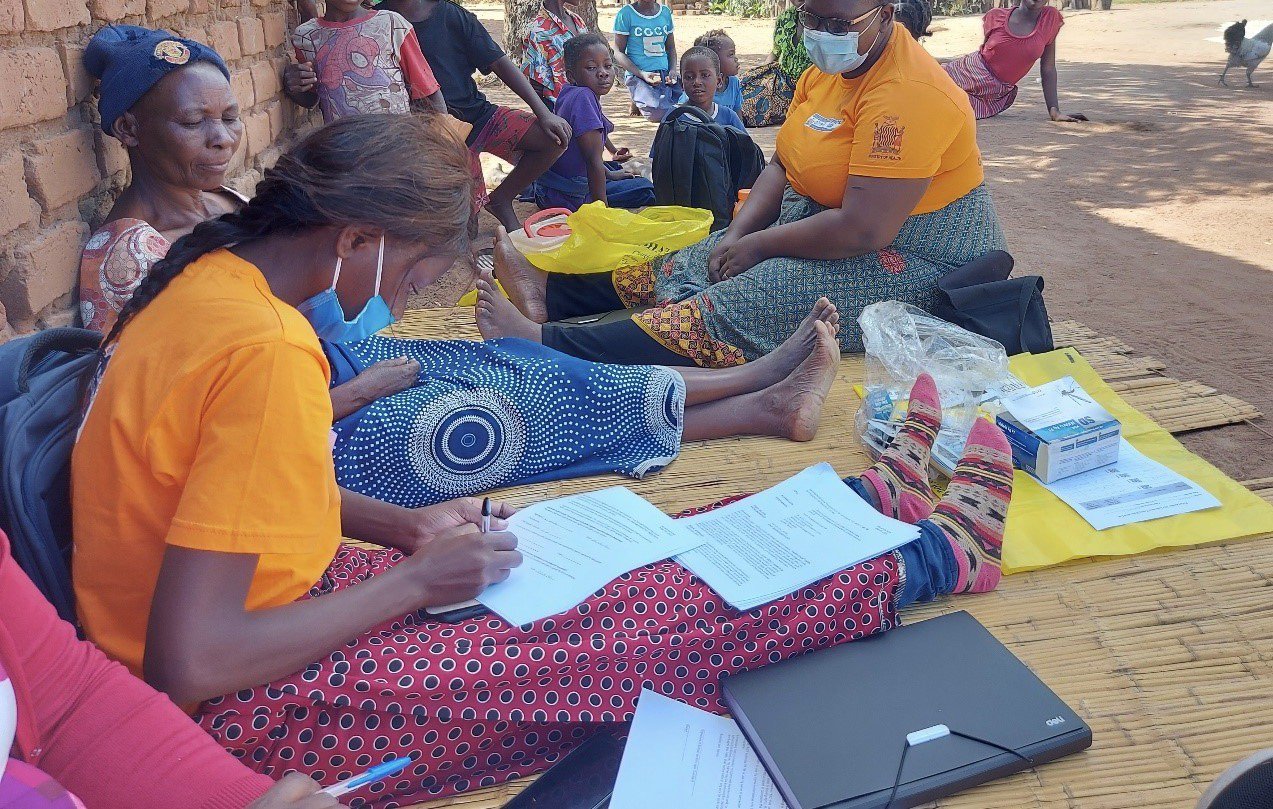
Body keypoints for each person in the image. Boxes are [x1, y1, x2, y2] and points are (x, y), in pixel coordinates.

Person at [72, 113, 1014, 806]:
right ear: (355, 238)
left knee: (635, 558)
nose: (405, 302)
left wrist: (406, 530)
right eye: (417, 274)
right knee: (634, 640)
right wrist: (412, 583)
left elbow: (229, 494)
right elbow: (188, 661)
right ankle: (931, 556)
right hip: (248, 718)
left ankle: (869, 505)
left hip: (270, 622)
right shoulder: (265, 348)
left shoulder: (214, 284)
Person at [479, 0, 1005, 370]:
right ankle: (550, 293)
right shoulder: (824, 73)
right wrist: (737, 233)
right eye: (811, 16)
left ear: (885, 13)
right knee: (698, 256)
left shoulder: (908, 93)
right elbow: (782, 165)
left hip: (914, 253)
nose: (822, 30)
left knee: (762, 291)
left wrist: (758, 244)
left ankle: (548, 341)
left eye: (837, 20)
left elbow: (864, 229)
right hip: (827, 220)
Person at [0, 530, 342, 808]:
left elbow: (67, 698)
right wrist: (398, 586)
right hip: (224, 702)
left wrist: (245, 801)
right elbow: (191, 667)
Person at [77, 24, 245, 334]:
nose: (223, 138)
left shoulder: (224, 199)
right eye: (193, 122)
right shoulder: (127, 257)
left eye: (231, 118)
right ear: (128, 129)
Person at [378, 0, 572, 232]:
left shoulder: (452, 15)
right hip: (427, 134)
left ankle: (501, 199)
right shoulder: (376, 21)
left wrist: (543, 112)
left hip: (479, 116)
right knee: (467, 228)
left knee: (553, 139)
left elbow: (499, 62)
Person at [529, 34, 654, 212]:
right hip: (567, 194)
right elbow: (592, 160)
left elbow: (585, 152)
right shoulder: (584, 98)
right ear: (571, 76)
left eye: (608, 66)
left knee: (616, 168)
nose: (602, 72)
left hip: (552, 185)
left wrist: (610, 174)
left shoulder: (572, 92)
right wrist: (601, 211)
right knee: (645, 189)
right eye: (591, 67)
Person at [283, 0, 445, 123]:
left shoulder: (391, 24)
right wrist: (295, 87)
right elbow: (313, 99)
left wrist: (442, 144)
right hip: (344, 153)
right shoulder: (306, 36)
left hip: (397, 148)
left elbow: (429, 93)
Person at [941, 0, 1084, 121]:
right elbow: (983, 54)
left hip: (994, 92)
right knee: (933, 87)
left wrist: (1055, 111)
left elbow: (1048, 68)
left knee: (952, 109)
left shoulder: (1050, 19)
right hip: (968, 72)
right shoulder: (996, 16)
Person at [739, 0, 810, 127]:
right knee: (740, 87)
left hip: (810, 85)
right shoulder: (785, 18)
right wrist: (760, 73)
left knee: (751, 108)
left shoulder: (826, 21)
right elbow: (775, 52)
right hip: (782, 80)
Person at [613, 0, 679, 122]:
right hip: (638, 75)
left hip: (664, 74)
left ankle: (640, 99)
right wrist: (641, 74)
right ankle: (638, 95)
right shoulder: (626, 14)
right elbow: (618, 52)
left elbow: (671, 48)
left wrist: (672, 70)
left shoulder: (665, 12)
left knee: (691, 103)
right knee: (657, 115)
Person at [519, 0, 589, 104]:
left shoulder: (577, 20)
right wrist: (546, 116)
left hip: (586, 101)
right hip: (559, 107)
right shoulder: (537, 31)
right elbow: (536, 85)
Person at [678, 45, 748, 130]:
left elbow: (744, 142)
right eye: (689, 77)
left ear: (718, 81)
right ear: (682, 83)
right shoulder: (675, 117)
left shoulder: (728, 116)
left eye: (705, 75)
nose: (697, 82)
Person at [677, 29, 743, 113]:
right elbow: (680, 115)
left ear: (719, 81)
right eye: (731, 54)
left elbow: (738, 117)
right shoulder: (697, 93)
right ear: (715, 60)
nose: (736, 58)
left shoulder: (734, 82)